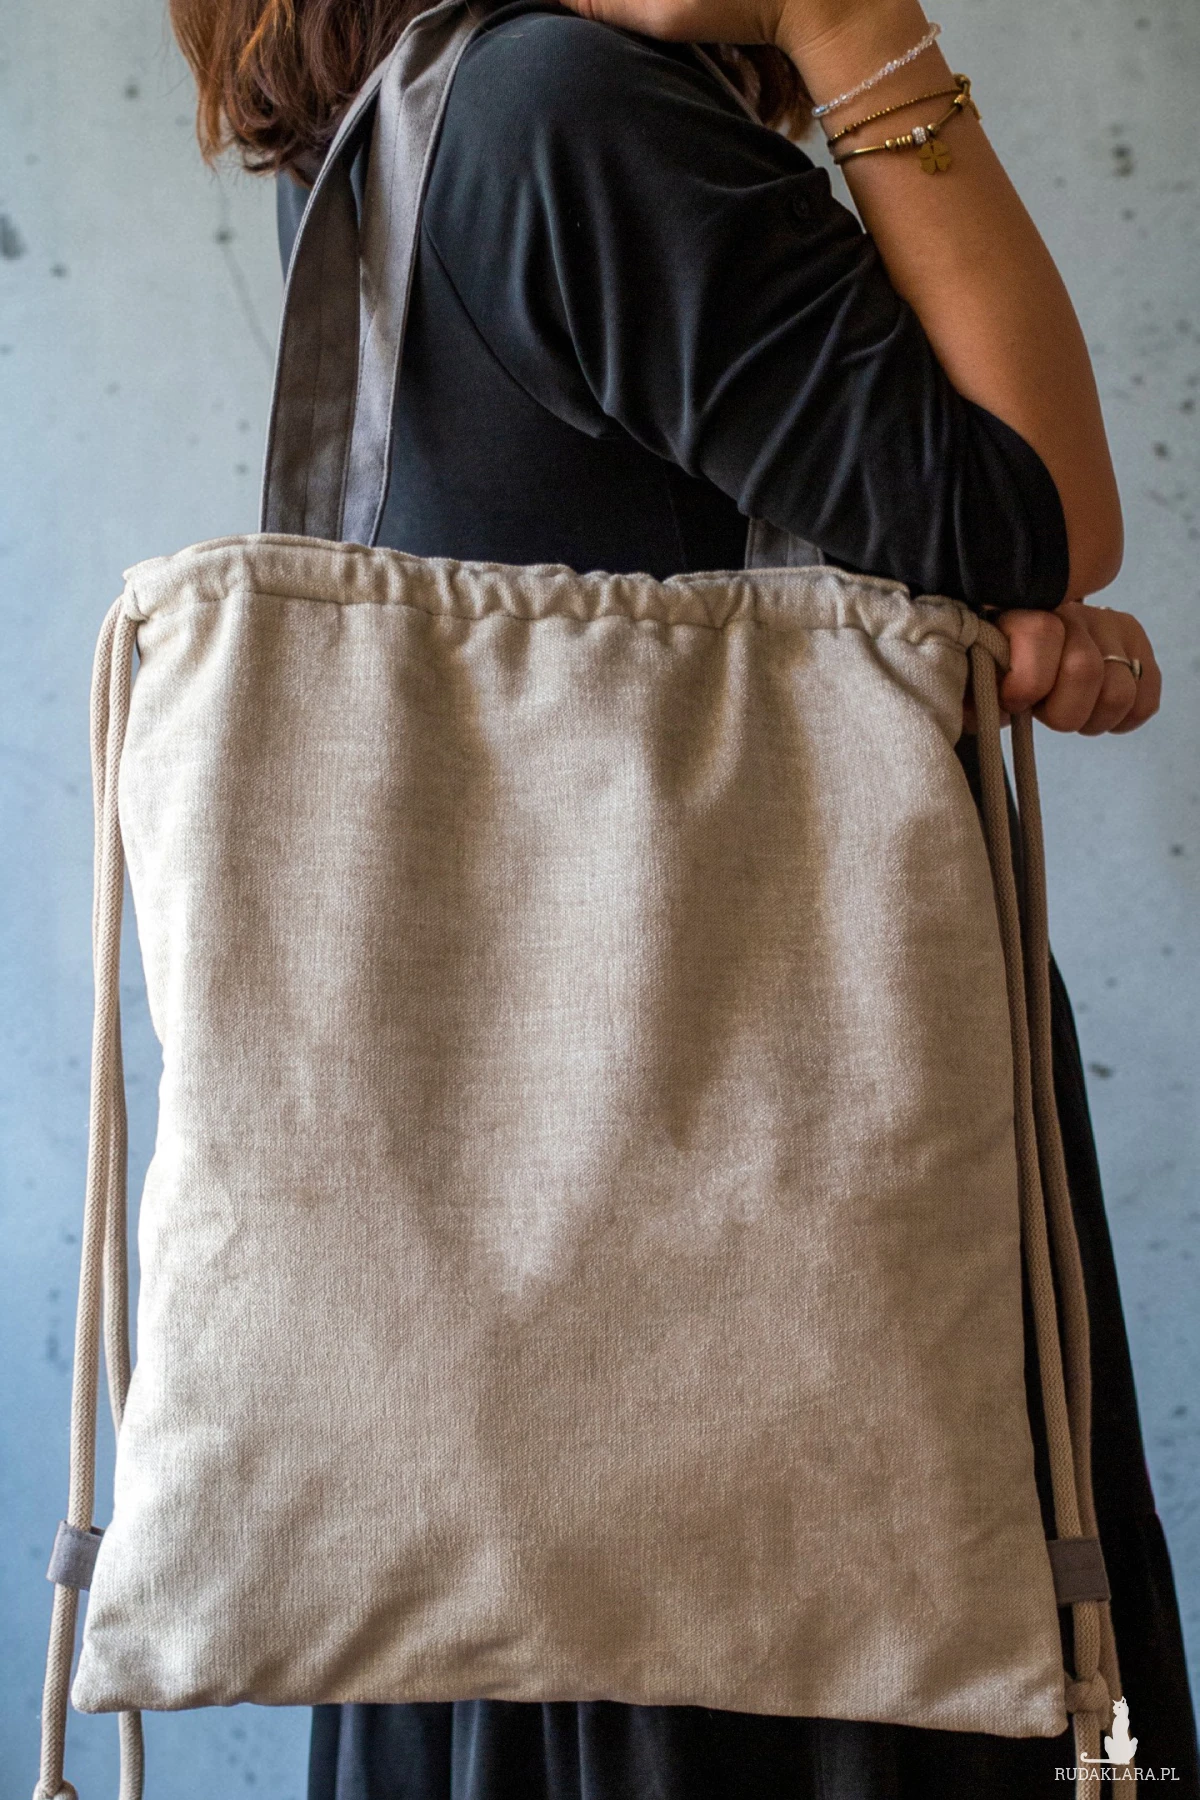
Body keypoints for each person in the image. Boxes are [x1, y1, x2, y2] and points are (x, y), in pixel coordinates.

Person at [168, 0, 1198, 1793]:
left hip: (546, 1298)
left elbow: (919, 542)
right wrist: (850, 20)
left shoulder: (423, 132)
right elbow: (1044, 506)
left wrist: (961, 616)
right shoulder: (558, 110)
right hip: (757, 1228)